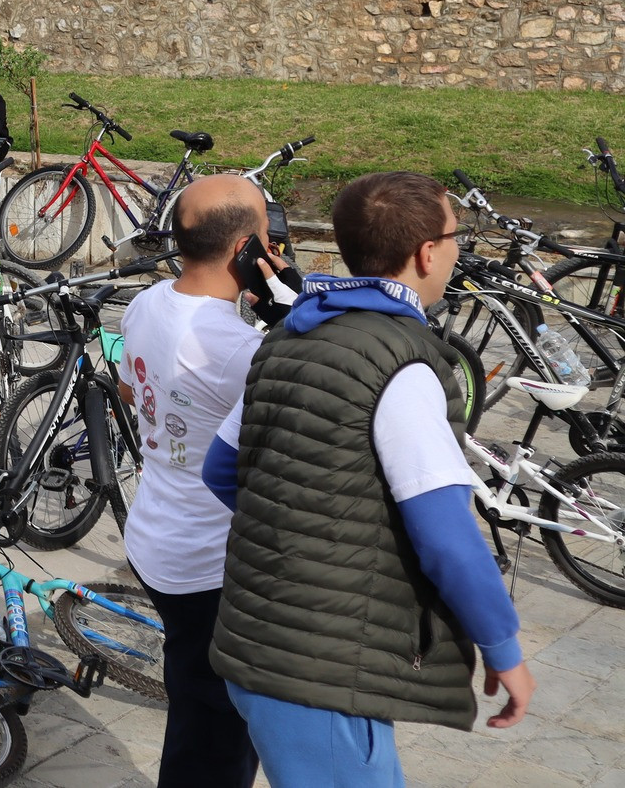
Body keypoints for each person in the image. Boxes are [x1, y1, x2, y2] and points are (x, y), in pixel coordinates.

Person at [205, 172, 534, 785]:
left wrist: (296, 539)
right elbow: (445, 535)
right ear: (427, 252)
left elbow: (222, 470)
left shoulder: (288, 335)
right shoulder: (402, 365)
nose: (458, 249)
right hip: (319, 670)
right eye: (455, 235)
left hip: (262, 642)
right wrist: (503, 648)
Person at [118, 175, 269, 788]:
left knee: (193, 694)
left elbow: (132, 389)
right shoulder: (241, 350)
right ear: (247, 250)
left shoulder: (146, 303)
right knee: (218, 735)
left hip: (156, 534)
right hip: (211, 561)